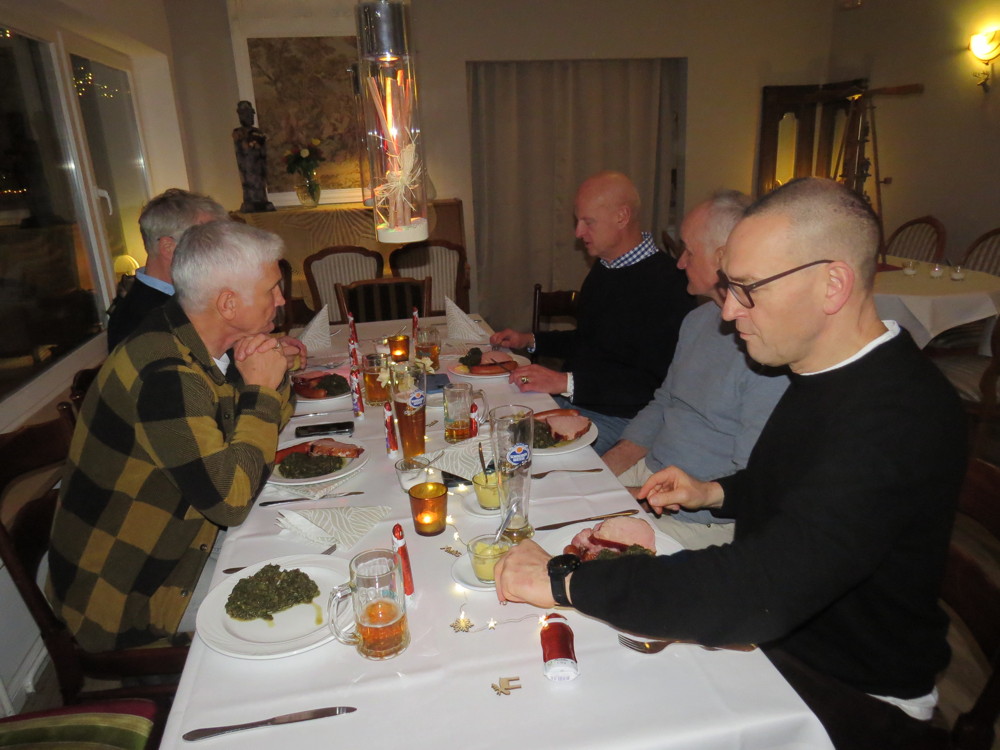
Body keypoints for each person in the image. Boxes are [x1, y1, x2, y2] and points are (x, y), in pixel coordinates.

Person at [495, 177, 966, 749]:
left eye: (747, 289)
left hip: (845, 688)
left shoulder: (896, 415)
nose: (729, 311)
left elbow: (759, 587)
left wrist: (565, 580)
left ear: (833, 284)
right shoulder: (823, 371)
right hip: (782, 634)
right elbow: (798, 486)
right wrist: (716, 493)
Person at [48, 221, 296, 652]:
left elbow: (267, 427)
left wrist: (268, 376)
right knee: (300, 610)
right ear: (228, 304)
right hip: (129, 592)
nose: (282, 299)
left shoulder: (195, 338)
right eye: (272, 289)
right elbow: (231, 501)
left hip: (187, 538)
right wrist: (260, 391)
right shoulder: (165, 375)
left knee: (305, 547)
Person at [602, 190, 789, 550]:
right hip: (652, 476)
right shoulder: (698, 320)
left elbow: (751, 479)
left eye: (689, 251)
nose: (680, 263)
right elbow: (664, 402)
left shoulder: (767, 351)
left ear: (724, 257)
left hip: (700, 516)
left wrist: (636, 500)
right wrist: (606, 469)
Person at [489, 171, 694, 453]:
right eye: (578, 222)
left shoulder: (670, 284)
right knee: (494, 428)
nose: (578, 233)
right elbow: (590, 340)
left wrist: (564, 382)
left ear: (622, 217)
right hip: (576, 402)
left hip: (622, 419)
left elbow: (653, 384)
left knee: (517, 457)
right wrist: (530, 340)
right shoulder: (605, 268)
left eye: (588, 222)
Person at [106, 188, 229, 351]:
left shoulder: (184, 295)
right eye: (208, 242)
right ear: (168, 247)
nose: (221, 252)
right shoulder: (144, 321)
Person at [233, 100, 275, 213]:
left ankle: (262, 200)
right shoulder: (238, 132)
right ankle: (252, 201)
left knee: (260, 183)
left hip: (259, 163)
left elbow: (261, 145)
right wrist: (253, 142)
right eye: (246, 114)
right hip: (247, 164)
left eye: (251, 114)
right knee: (250, 184)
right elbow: (245, 146)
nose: (250, 117)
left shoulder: (257, 131)